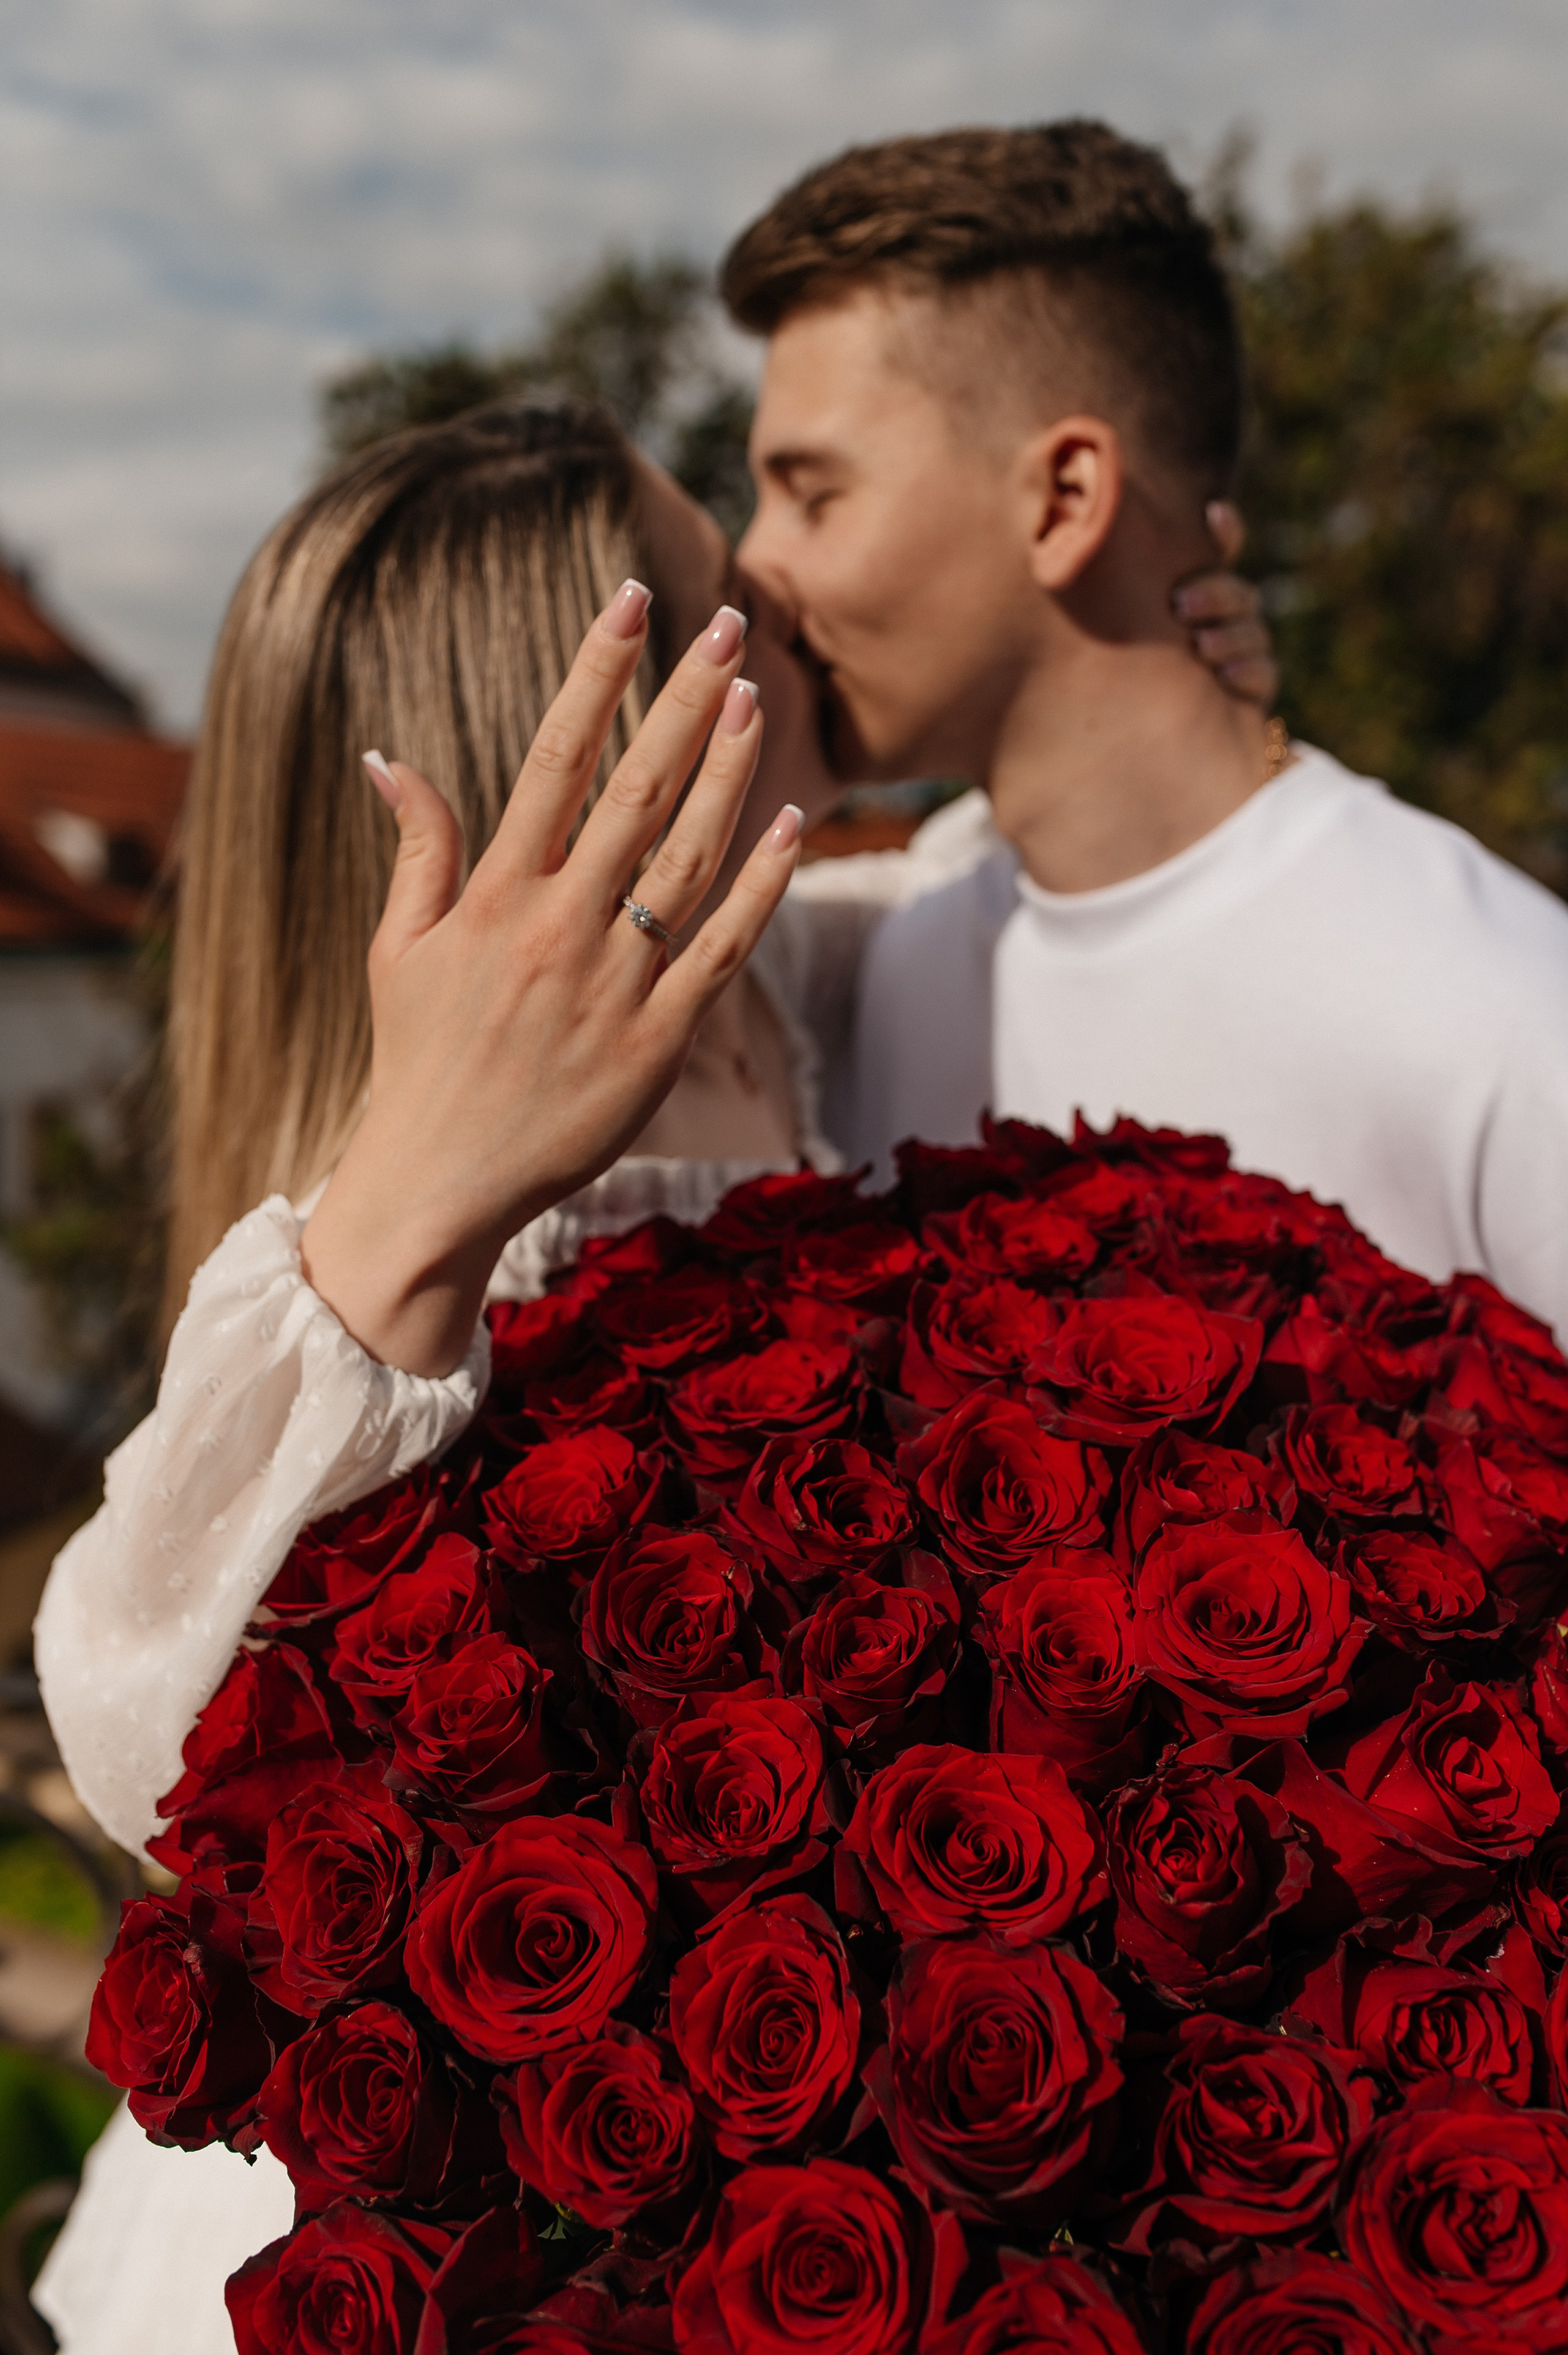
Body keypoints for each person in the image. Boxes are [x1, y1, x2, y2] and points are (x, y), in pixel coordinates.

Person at [32, 377, 1263, 2355]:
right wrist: (414, 1208)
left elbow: (961, 883)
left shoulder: (784, 973)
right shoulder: (430, 1232)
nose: (775, 581)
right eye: (718, 584)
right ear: (605, 718)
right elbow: (140, 1722)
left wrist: (1162, 695)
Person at [733, 120, 1568, 1342]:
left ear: (1063, 499)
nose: (754, 563)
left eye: (811, 493)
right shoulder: (857, 976)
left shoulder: (1494, 1020)